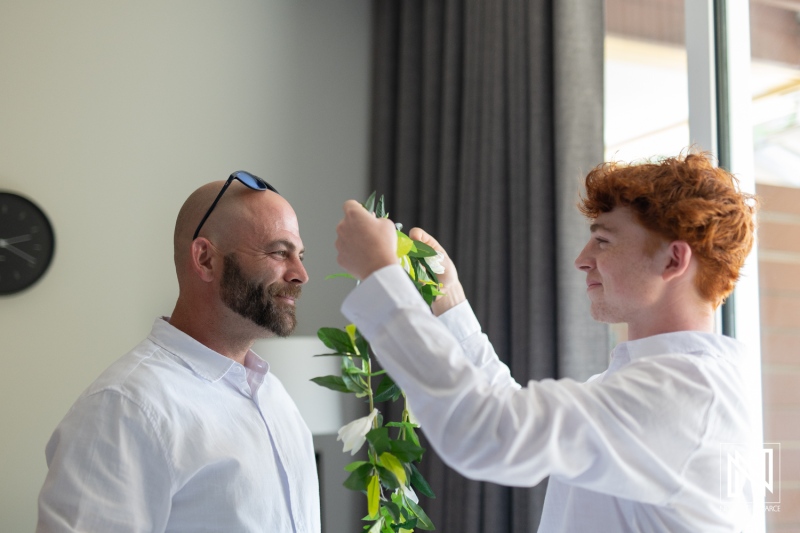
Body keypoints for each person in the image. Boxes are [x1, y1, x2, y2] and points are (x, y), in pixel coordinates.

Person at [334, 153, 758, 532]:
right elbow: (509, 413)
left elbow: (488, 432)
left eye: (604, 240)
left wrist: (379, 275)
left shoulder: (682, 394)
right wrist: (450, 301)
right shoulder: (652, 383)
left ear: (673, 259)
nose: (581, 259)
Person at [37, 172, 320, 532]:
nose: (301, 274)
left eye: (300, 254)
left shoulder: (275, 396)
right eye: (279, 252)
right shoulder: (125, 408)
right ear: (205, 259)